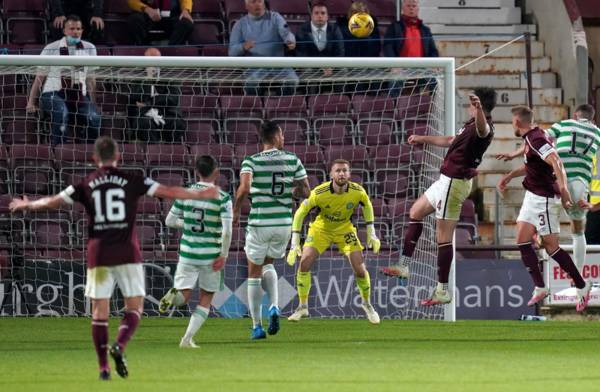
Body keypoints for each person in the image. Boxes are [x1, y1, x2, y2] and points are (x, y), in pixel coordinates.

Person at [8, 137, 219, 380]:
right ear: (118, 157)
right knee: (135, 308)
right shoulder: (132, 180)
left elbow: (52, 202)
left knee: (99, 313)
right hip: (127, 253)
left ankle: (103, 368)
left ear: (94, 159)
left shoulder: (85, 183)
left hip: (99, 254)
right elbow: (168, 191)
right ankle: (119, 344)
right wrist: (202, 196)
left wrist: (28, 205)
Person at [380, 88, 497, 306]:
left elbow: (483, 129)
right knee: (415, 212)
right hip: (445, 180)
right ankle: (404, 266)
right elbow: (451, 139)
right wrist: (422, 138)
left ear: (478, 105)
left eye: (473, 104)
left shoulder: (484, 126)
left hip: (455, 182)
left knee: (443, 237)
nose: (469, 106)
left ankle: (442, 289)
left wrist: (480, 109)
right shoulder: (469, 125)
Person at [496, 106, 591, 311]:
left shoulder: (536, 138)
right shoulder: (531, 138)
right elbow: (532, 165)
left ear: (517, 122)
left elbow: (556, 161)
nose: (512, 123)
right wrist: (509, 176)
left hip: (544, 199)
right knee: (522, 239)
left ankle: (582, 286)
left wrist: (564, 190)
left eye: (513, 120)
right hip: (532, 196)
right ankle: (540, 287)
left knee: (551, 247)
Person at [232, 120, 310, 340]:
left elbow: (244, 188)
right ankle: (274, 306)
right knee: (269, 264)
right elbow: (306, 191)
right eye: (282, 135)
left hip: (260, 222)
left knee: (253, 273)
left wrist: (236, 211)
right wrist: (289, 191)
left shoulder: (251, 161)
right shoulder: (292, 159)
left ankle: (257, 326)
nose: (284, 139)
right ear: (276, 136)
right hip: (284, 223)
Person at [286, 159, 381, 324]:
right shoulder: (319, 192)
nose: (342, 173)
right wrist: (295, 241)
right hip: (321, 229)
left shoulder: (357, 191)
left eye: (345, 170)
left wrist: (371, 233)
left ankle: (367, 304)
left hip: (344, 229)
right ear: (331, 174)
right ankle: (302, 306)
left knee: (359, 267)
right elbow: (301, 212)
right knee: (305, 262)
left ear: (349, 174)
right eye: (338, 170)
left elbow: (367, 205)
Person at [158, 155, 232, 348]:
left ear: (196, 172)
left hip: (188, 253)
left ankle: (173, 295)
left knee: (183, 297)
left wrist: (188, 224)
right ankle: (186, 339)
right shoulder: (222, 198)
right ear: (216, 172)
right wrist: (223, 254)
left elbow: (169, 221)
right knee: (206, 297)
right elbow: (227, 230)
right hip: (211, 254)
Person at [26, 15, 101, 145]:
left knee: (94, 117)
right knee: (61, 113)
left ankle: (87, 152)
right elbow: (39, 78)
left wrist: (94, 103)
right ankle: (59, 151)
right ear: (64, 31)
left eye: (78, 29)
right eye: (72, 28)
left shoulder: (90, 48)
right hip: (53, 93)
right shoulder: (51, 48)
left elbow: (90, 79)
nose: (75, 32)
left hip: (79, 95)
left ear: (82, 31)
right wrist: (31, 102)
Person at [228, 0, 299, 96]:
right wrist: (243, 46)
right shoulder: (240, 24)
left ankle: (281, 105)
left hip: (279, 64)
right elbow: (232, 52)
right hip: (254, 67)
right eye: (253, 2)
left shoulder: (275, 17)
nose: (258, 4)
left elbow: (286, 33)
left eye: (260, 1)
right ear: (246, 6)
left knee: (293, 80)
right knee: (251, 83)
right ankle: (258, 107)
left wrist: (290, 40)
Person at [124, 47, 185, 143]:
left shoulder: (169, 75)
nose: (154, 65)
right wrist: (149, 78)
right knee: (143, 124)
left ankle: (171, 149)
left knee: (177, 123)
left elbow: (174, 99)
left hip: (167, 113)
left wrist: (150, 102)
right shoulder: (137, 75)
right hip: (145, 114)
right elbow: (135, 96)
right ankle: (154, 151)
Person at [383, 0, 438, 96]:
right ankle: (394, 107)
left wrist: (434, 64)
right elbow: (388, 47)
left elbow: (433, 50)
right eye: (408, 6)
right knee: (396, 81)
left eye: (413, 6)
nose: (411, 8)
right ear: (403, 9)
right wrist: (394, 65)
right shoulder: (394, 27)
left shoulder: (425, 30)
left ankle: (434, 107)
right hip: (401, 68)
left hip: (422, 69)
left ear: (418, 8)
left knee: (435, 81)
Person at [126, 0, 193, 46]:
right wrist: (146, 9)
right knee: (134, 20)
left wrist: (185, 10)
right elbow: (132, 1)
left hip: (171, 16)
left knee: (186, 23)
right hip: (147, 14)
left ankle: (171, 52)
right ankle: (145, 50)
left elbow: (186, 0)